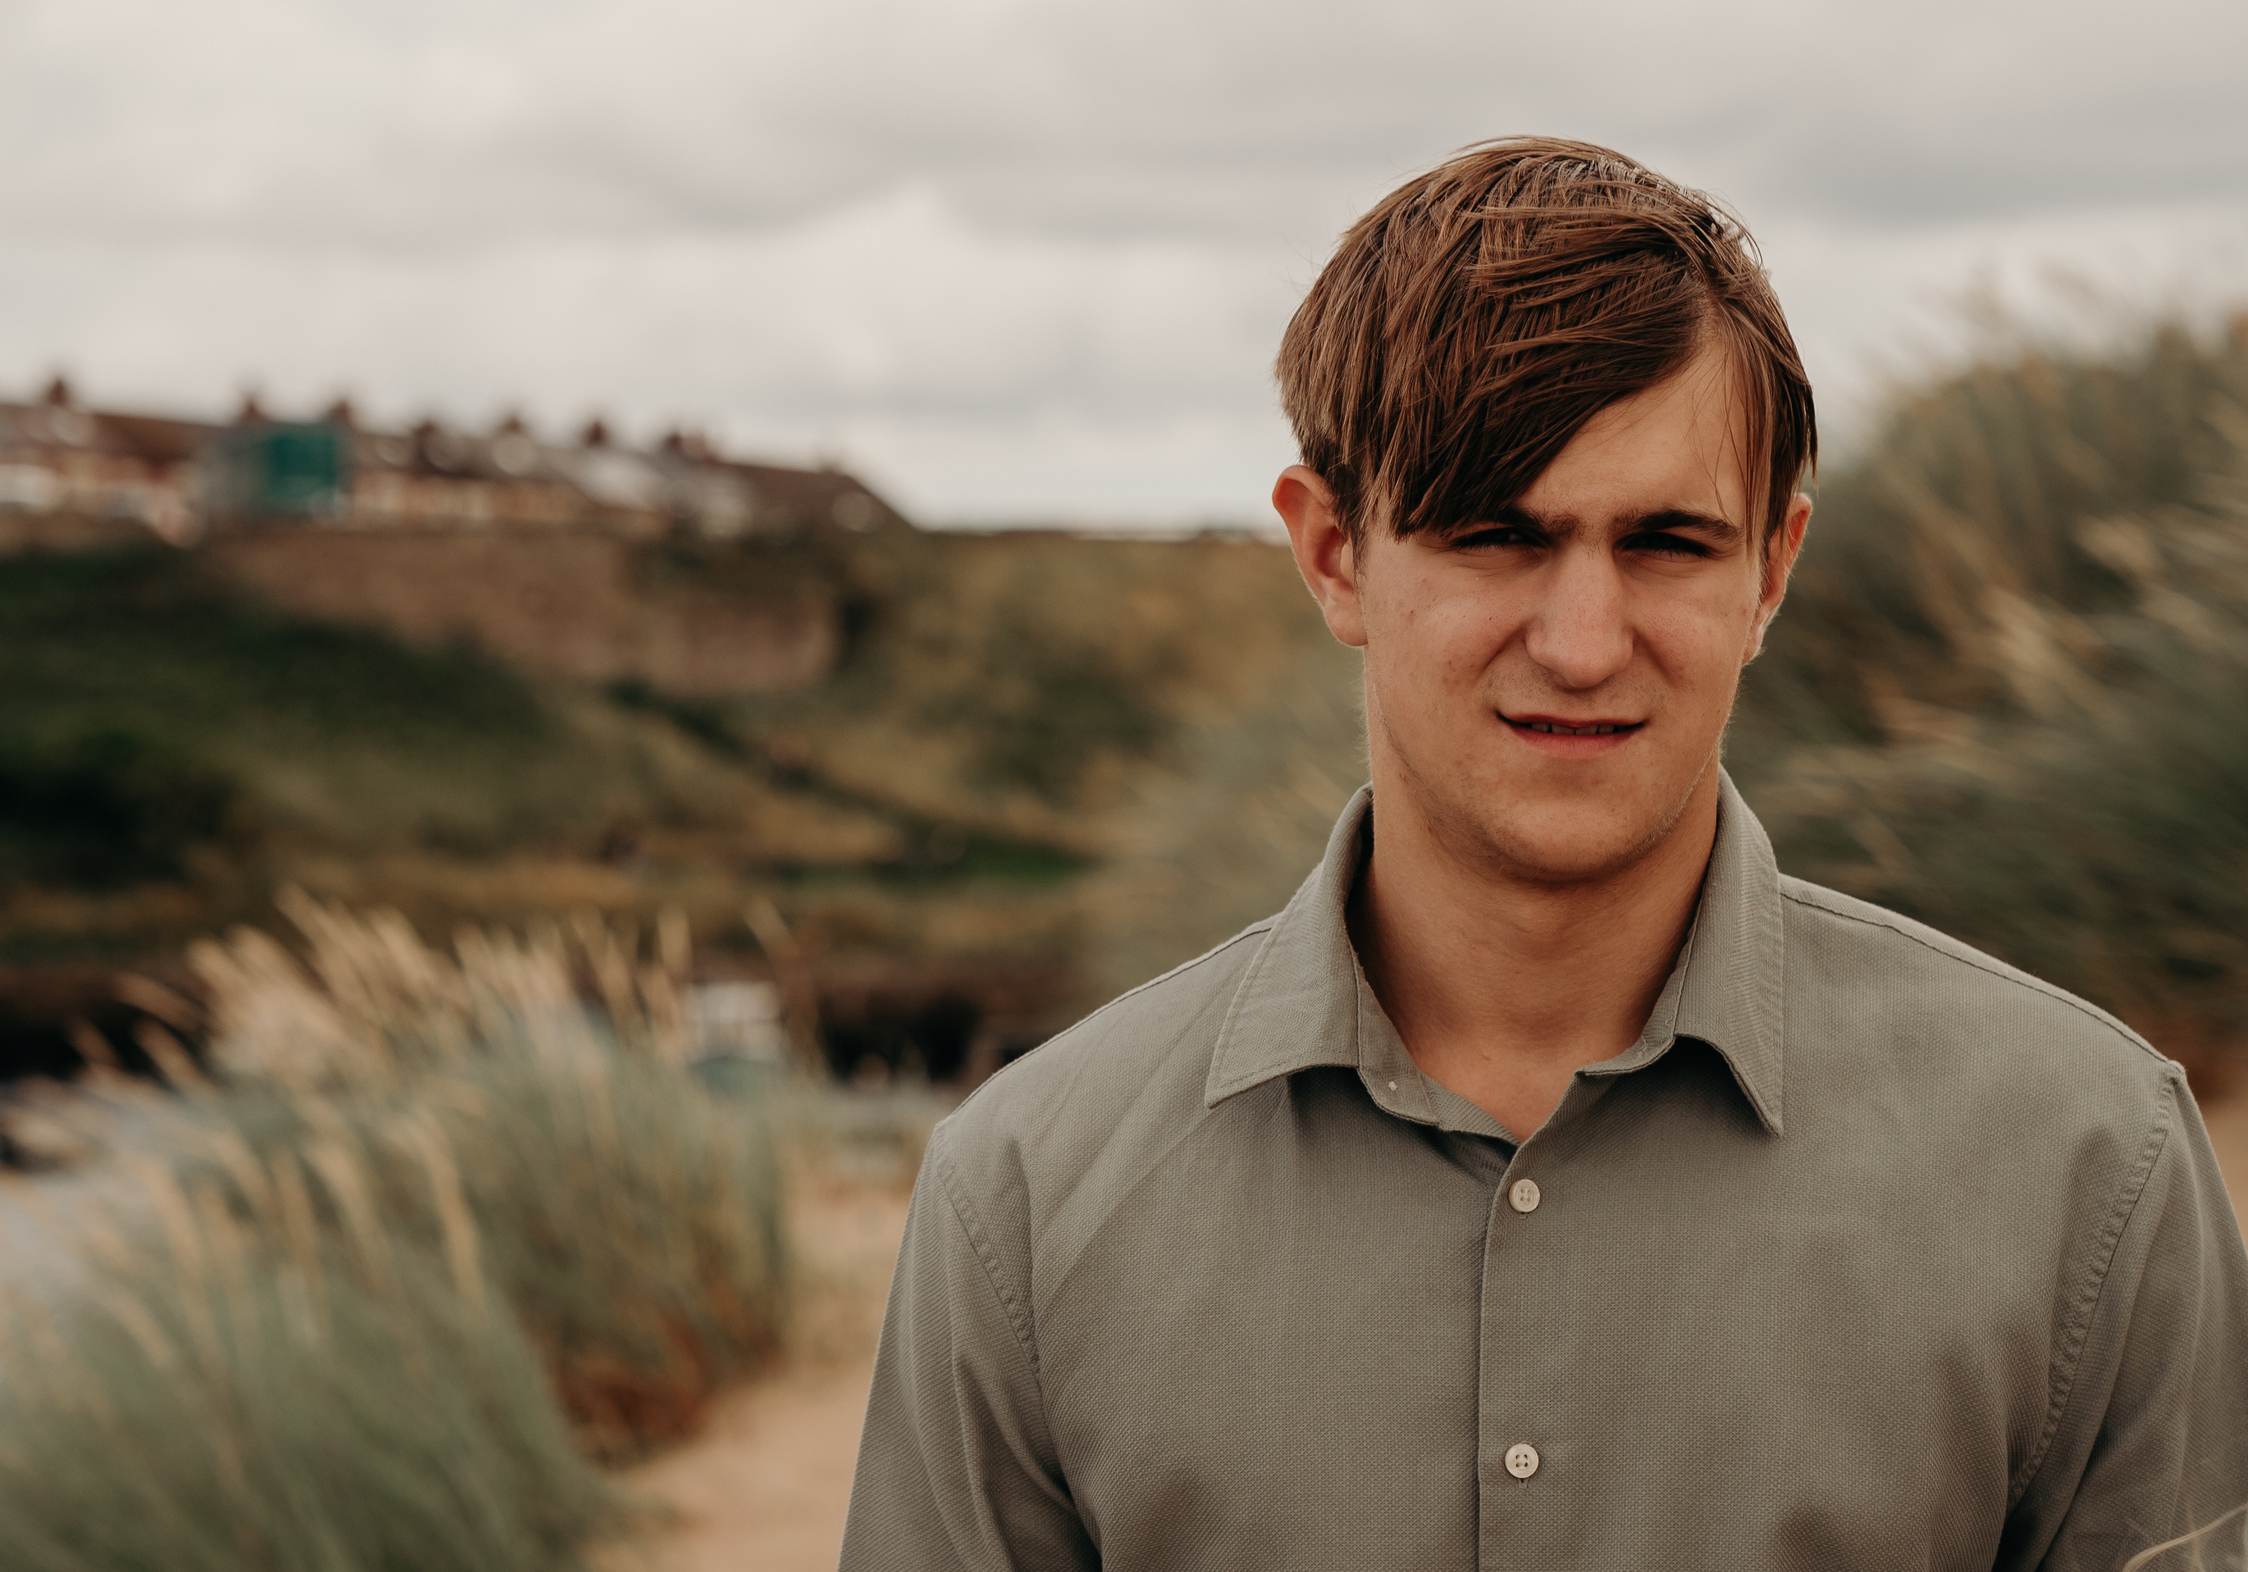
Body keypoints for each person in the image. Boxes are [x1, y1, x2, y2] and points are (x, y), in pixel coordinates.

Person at [837, 138, 2248, 1570]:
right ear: (1332, 555)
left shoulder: (2090, 1167)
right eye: (1496, 535)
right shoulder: (1023, 1201)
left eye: (1669, 543)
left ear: (1772, 568)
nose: (1582, 644)